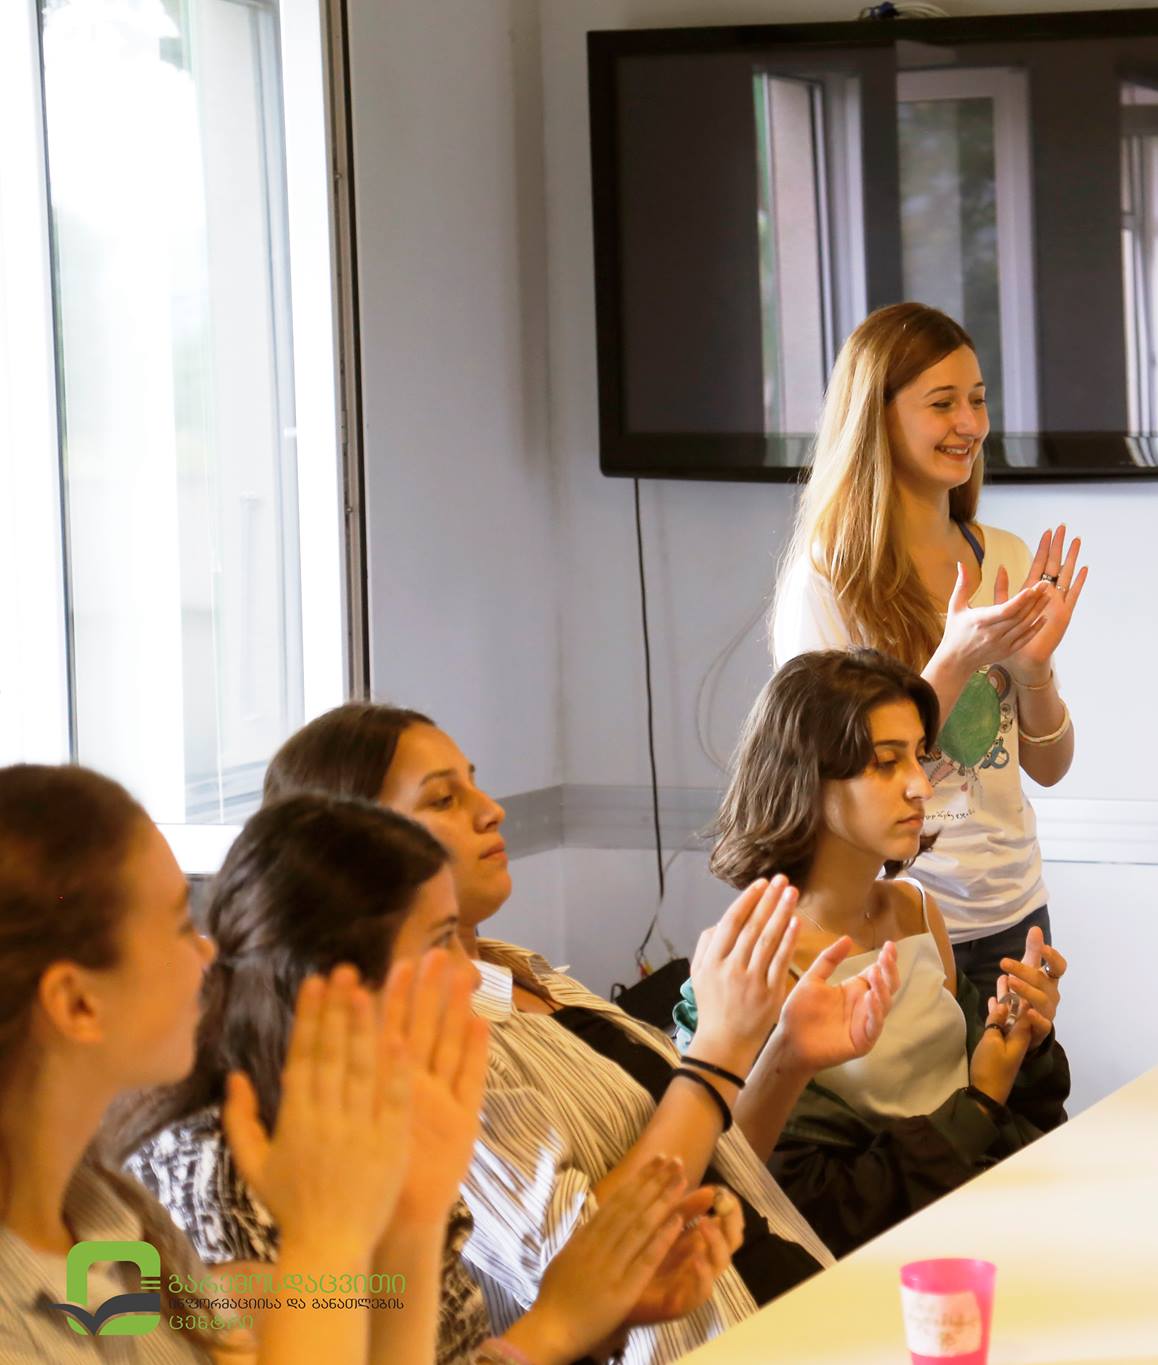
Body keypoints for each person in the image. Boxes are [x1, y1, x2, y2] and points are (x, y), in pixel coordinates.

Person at [263, 704, 898, 1359]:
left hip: (802, 1309)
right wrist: (718, 1048)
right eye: (443, 799)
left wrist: (784, 1056)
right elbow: (587, 1270)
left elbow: (708, 1166)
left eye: (474, 784)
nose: (492, 810)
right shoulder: (419, 1047)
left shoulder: (523, 973)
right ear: (352, 850)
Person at [114, 794, 728, 1365]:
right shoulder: (219, 1189)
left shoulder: (376, 1116)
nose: (470, 977)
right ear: (337, 979)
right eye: (441, 943)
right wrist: (560, 1323)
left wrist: (599, 1315)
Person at [0, 762, 461, 1363]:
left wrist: (413, 1224)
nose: (207, 952)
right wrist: (325, 1241)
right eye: (180, 925)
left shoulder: (110, 1215)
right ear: (78, 1004)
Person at [681, 649, 1071, 1255]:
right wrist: (979, 1104)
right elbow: (807, 1202)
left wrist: (1025, 1036)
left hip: (985, 1221)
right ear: (806, 775)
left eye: (919, 755)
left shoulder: (916, 910)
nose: (921, 785)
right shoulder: (750, 965)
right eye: (886, 763)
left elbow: (1008, 1100)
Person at [772, 301, 1089, 1006]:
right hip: (891, 918)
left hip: (1015, 911)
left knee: (1024, 1080)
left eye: (977, 400)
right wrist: (954, 660)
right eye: (942, 403)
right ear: (876, 417)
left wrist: (1034, 673)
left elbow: (1048, 766)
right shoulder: (829, 577)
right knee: (927, 1085)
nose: (970, 424)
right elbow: (830, 771)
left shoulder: (1004, 555)